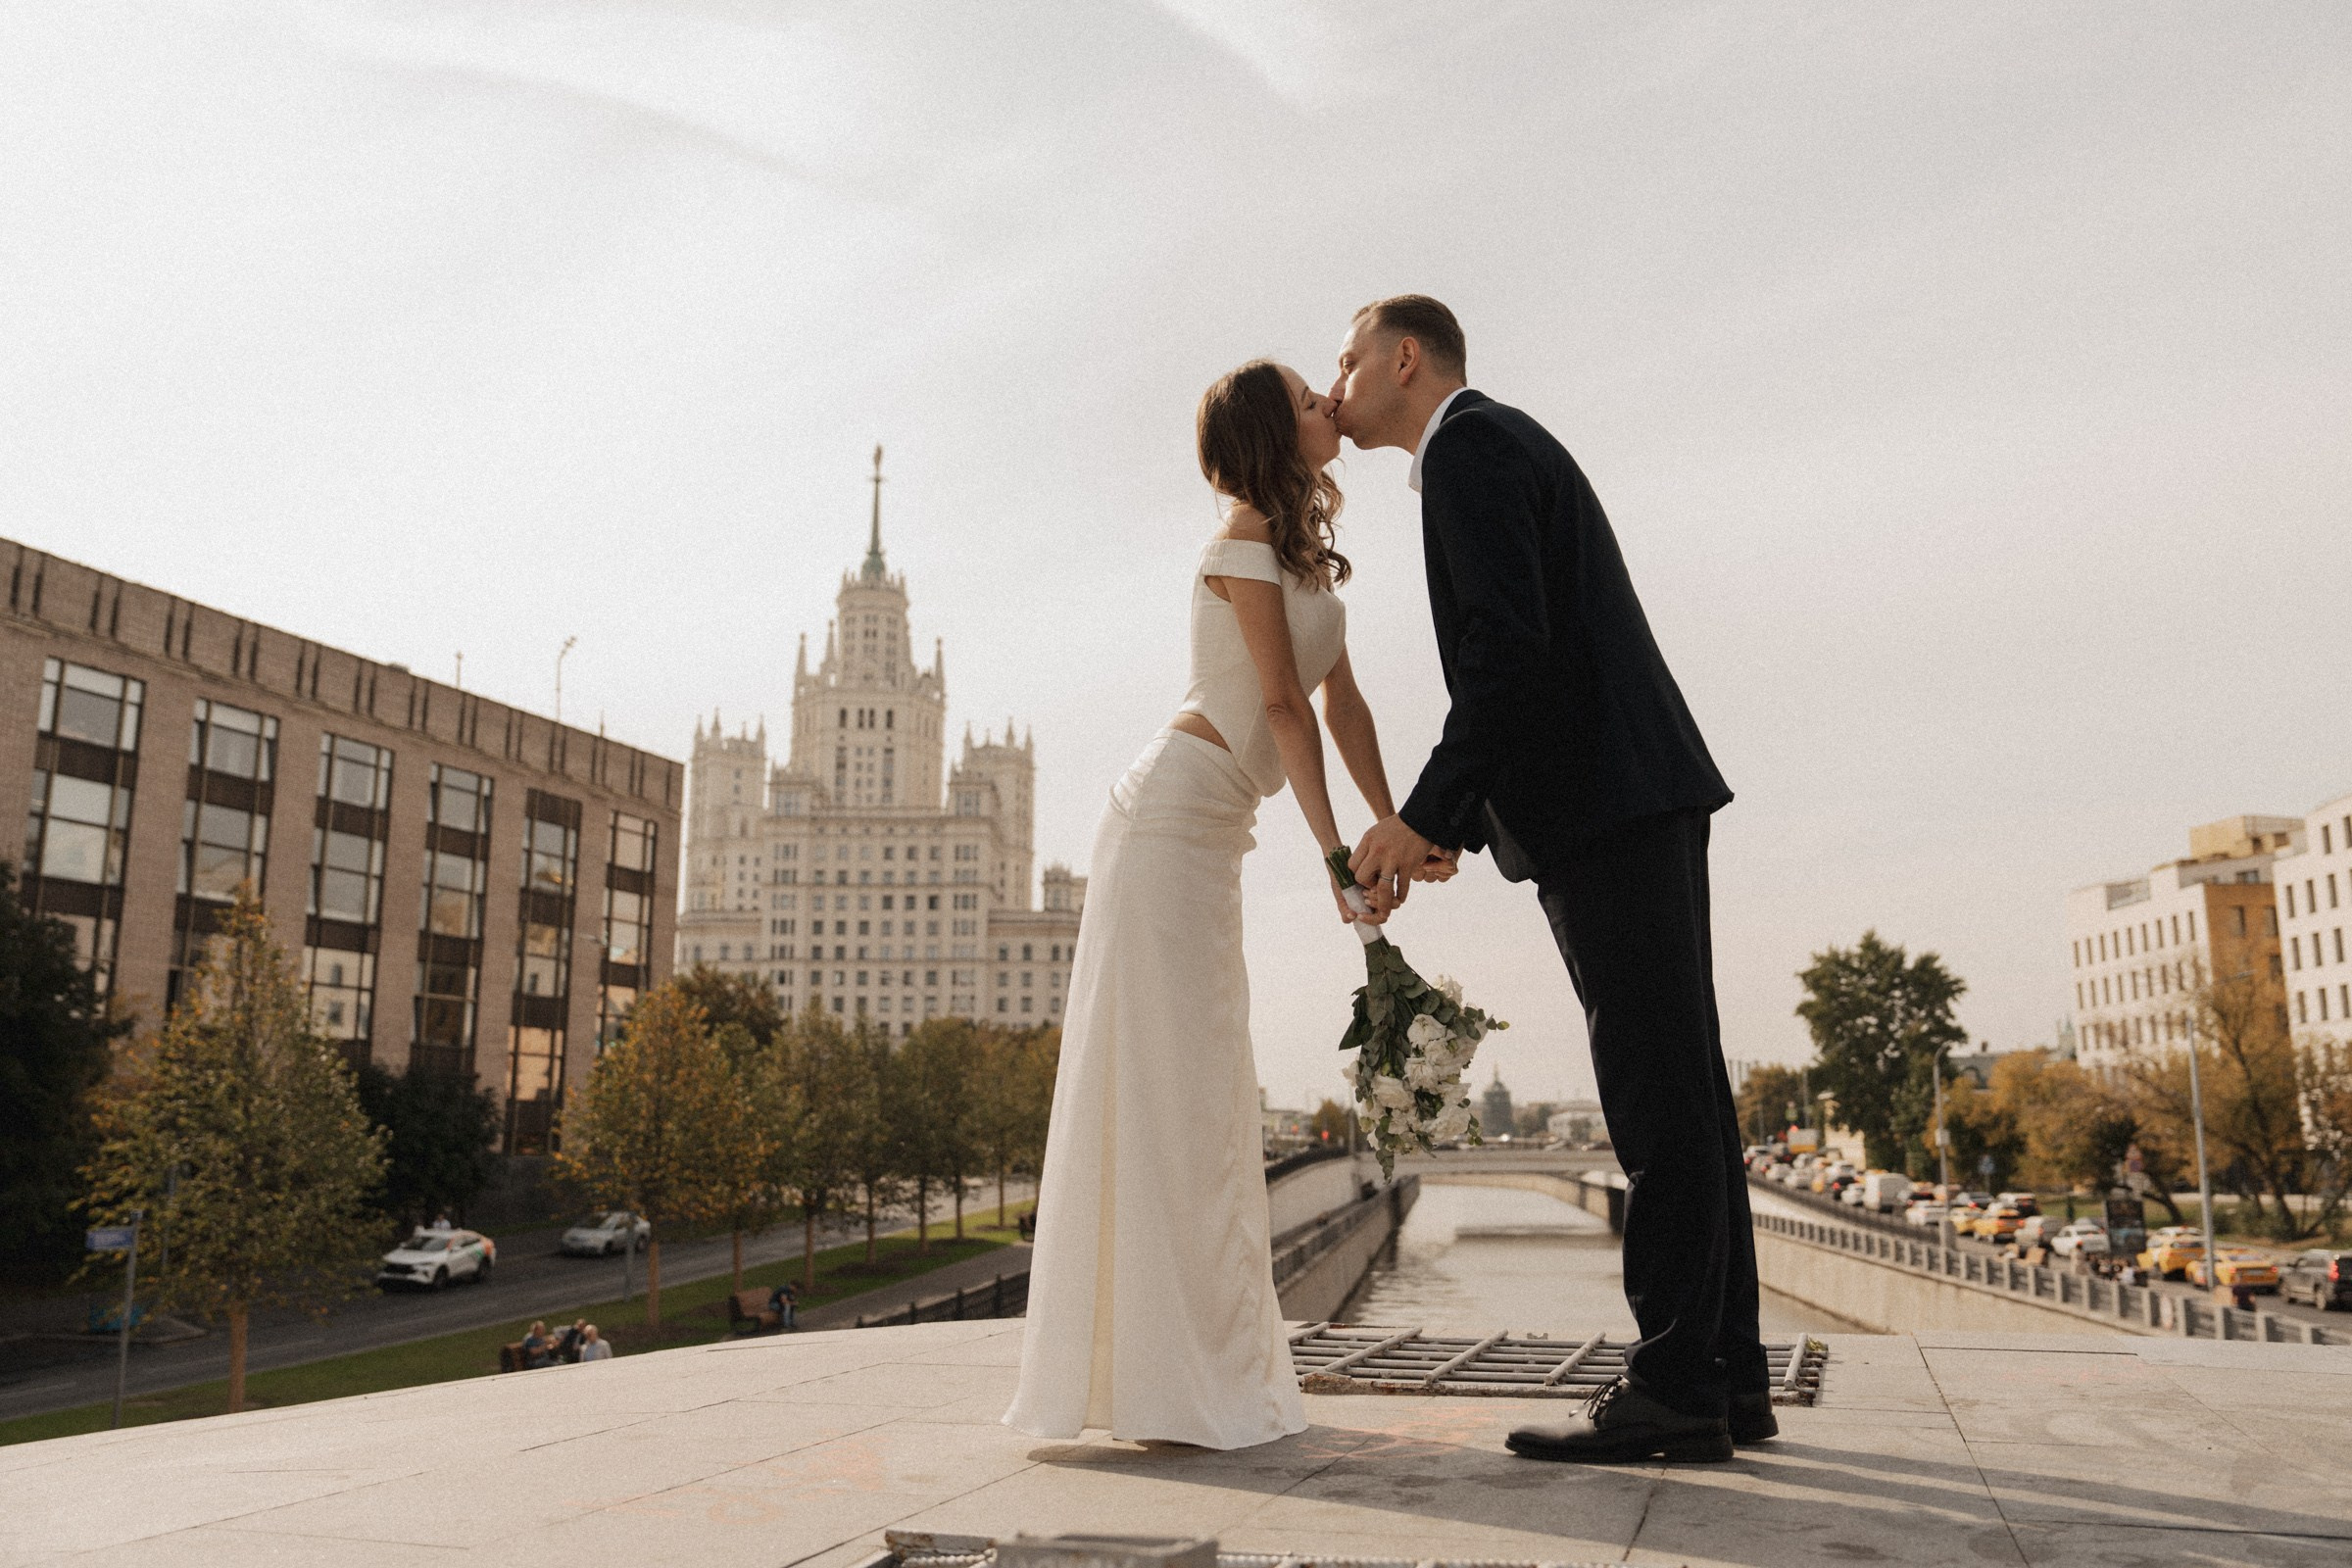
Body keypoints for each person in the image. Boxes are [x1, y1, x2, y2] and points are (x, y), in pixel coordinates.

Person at [1336, 295, 1765, 1465]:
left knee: (1655, 1098)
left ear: (1405, 360)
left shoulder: (1467, 448)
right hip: (1634, 792)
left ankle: (1675, 1386)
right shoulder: (1498, 441)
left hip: (1608, 805)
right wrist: (1453, 826)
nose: (1336, 381)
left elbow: (1506, 655)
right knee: (1688, 1092)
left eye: (1349, 358)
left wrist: (1424, 816)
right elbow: (1531, 662)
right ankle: (1725, 1376)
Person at [1004, 359, 1396, 1450]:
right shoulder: (1240, 540)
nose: (1329, 403)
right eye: (1309, 399)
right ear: (1272, 430)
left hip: (1214, 837)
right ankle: (1163, 1383)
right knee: (1174, 1095)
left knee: (1206, 1094)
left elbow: (1344, 706)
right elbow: (1279, 706)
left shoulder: (1300, 556)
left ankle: (1182, 1377)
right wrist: (1338, 862)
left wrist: (1397, 827)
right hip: (1168, 824)